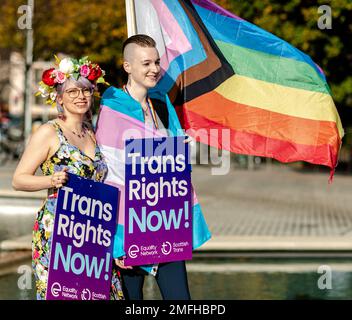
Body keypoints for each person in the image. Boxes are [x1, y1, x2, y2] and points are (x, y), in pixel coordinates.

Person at [95, 34, 211, 300]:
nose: (155, 69)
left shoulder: (161, 102)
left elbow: (178, 160)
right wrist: (117, 243)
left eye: (157, 62)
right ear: (127, 67)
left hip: (164, 221)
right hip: (129, 228)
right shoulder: (112, 109)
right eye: (146, 63)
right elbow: (110, 177)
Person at [12, 56, 124, 300]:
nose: (80, 96)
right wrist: (51, 180)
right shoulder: (49, 132)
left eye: (85, 90)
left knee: (104, 294)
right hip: (59, 230)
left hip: (95, 228)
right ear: (59, 98)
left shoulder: (93, 133)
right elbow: (19, 179)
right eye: (72, 91)